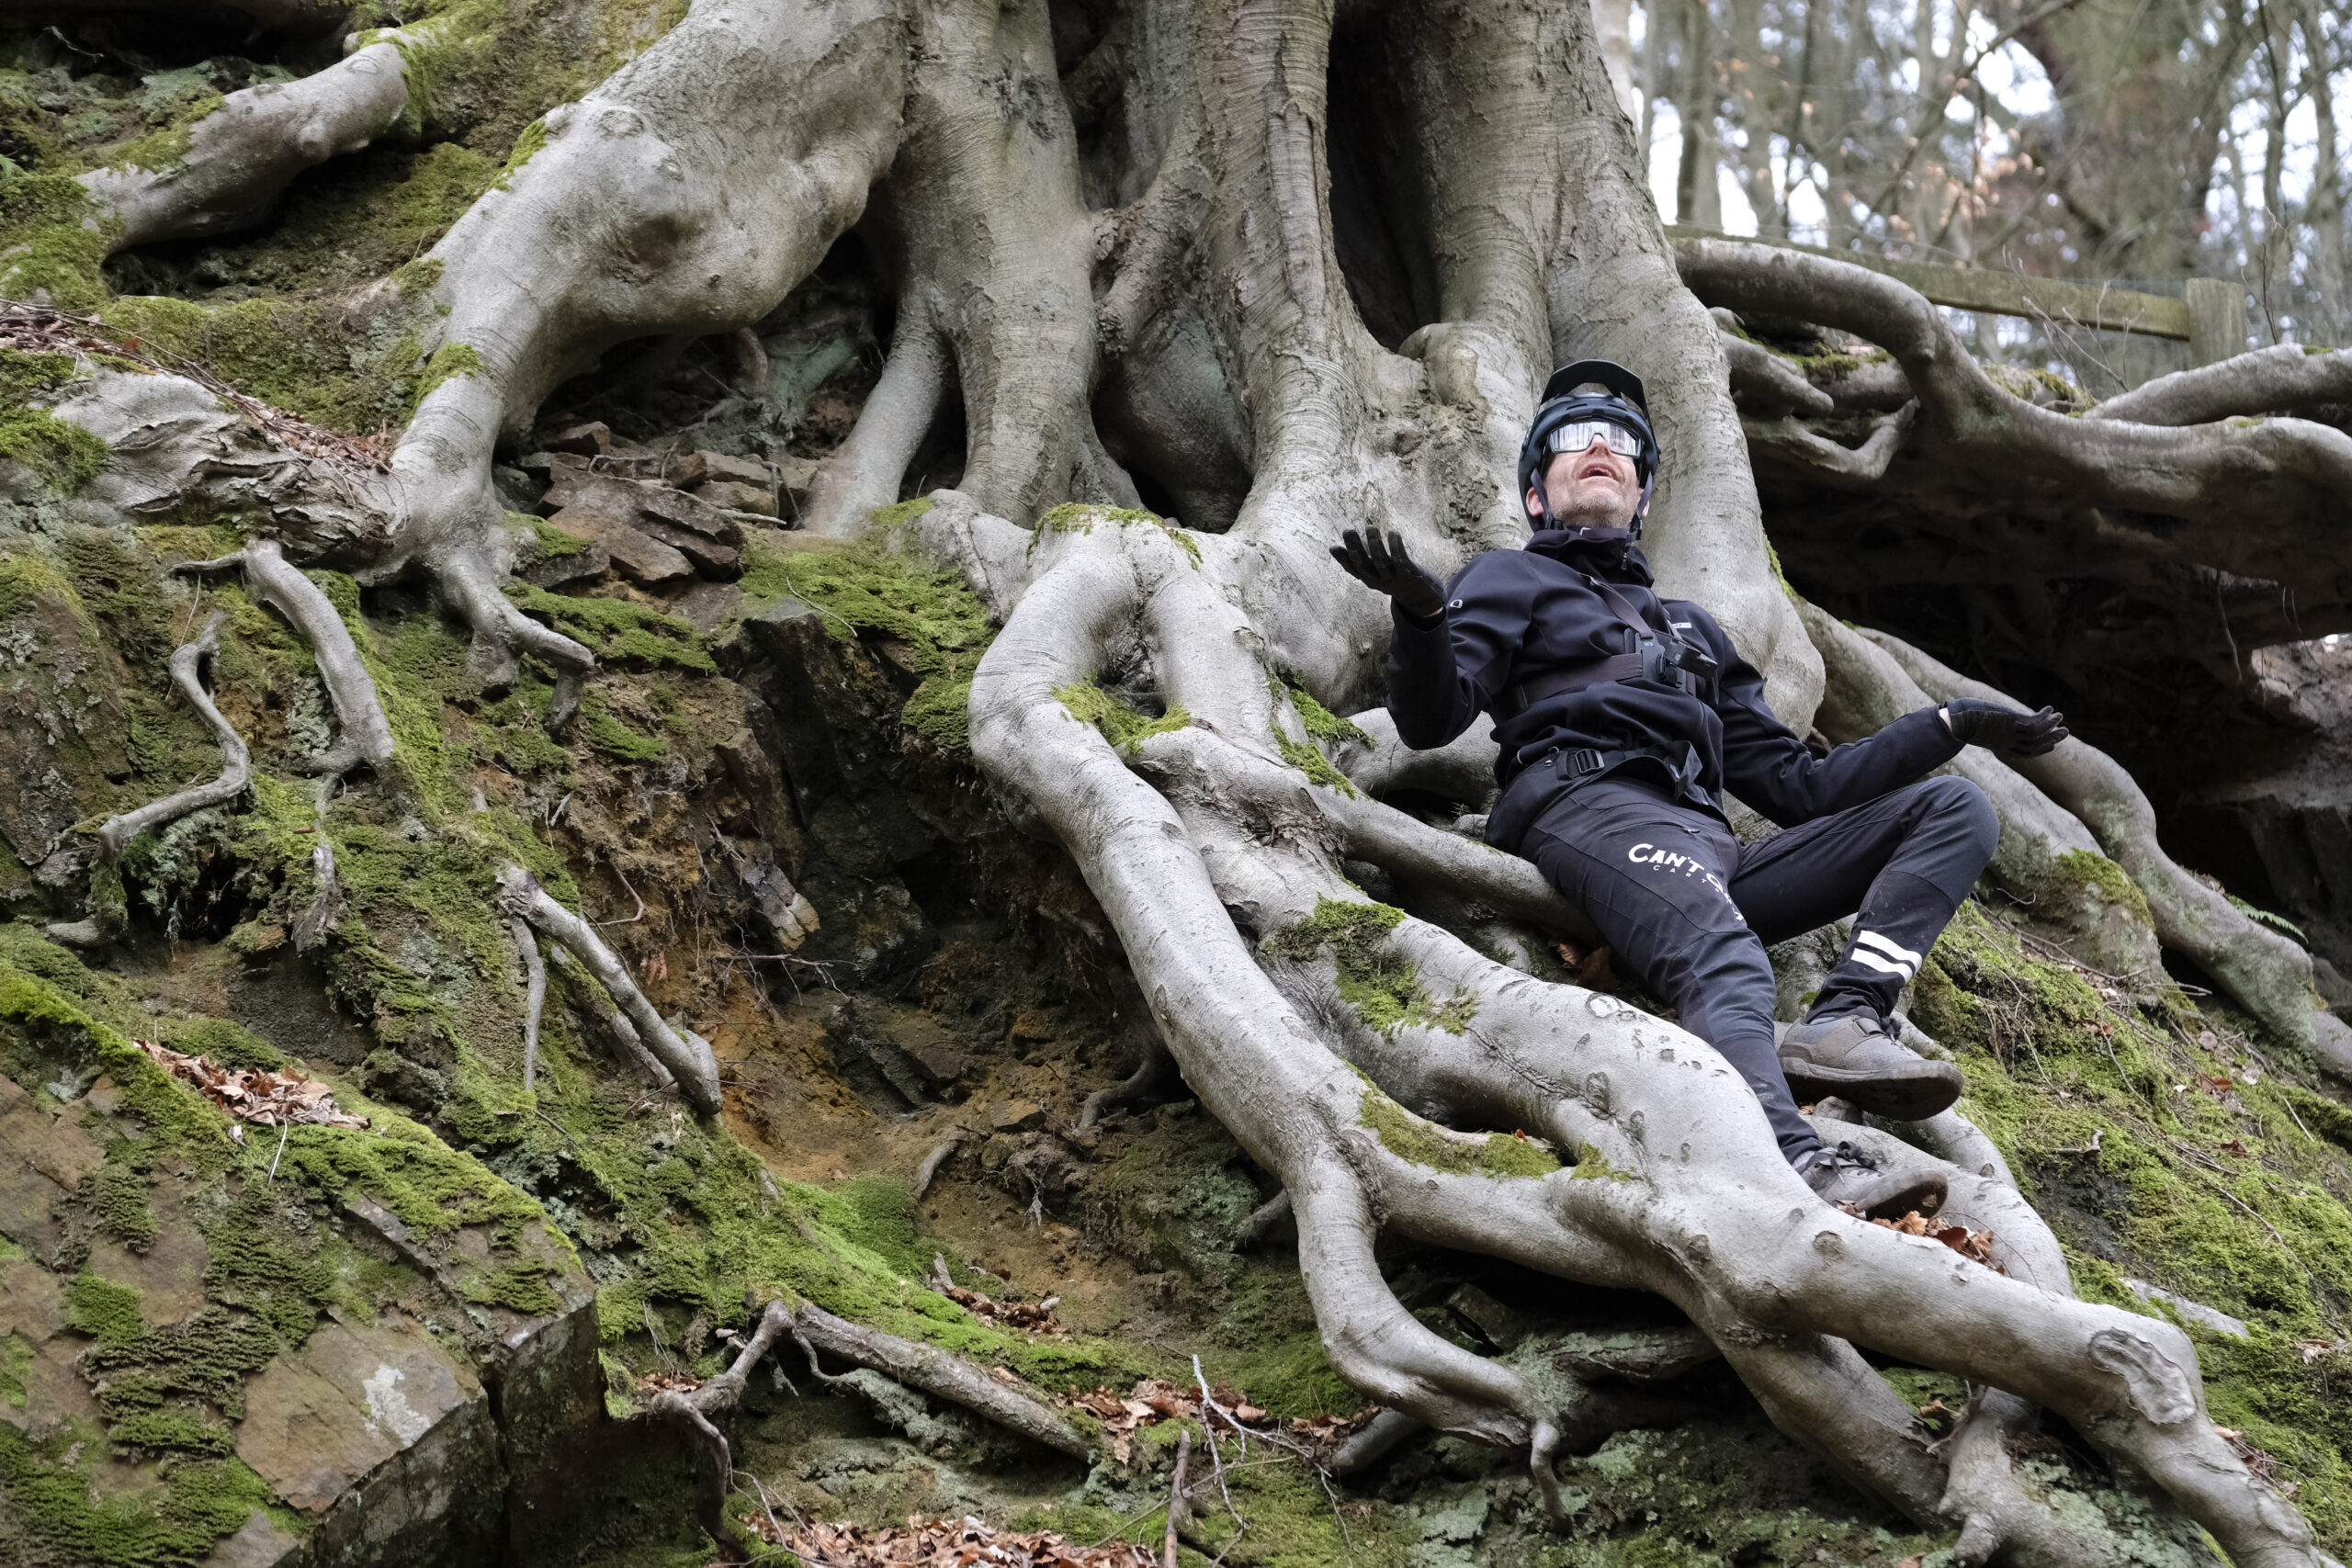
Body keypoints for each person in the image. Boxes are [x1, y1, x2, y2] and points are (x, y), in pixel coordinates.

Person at [1331, 361, 2065, 1219]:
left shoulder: (1693, 629)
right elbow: (1430, 721)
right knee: (1729, 957)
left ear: (1643, 493)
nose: (1599, 447)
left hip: (1710, 849)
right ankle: (1796, 1161)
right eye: (1573, 439)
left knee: (1954, 808)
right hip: (1589, 813)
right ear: (1536, 494)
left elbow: (1801, 786)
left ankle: (1846, 1018)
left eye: (1621, 442)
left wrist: (1949, 724)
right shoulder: (1509, 577)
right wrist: (1423, 617)